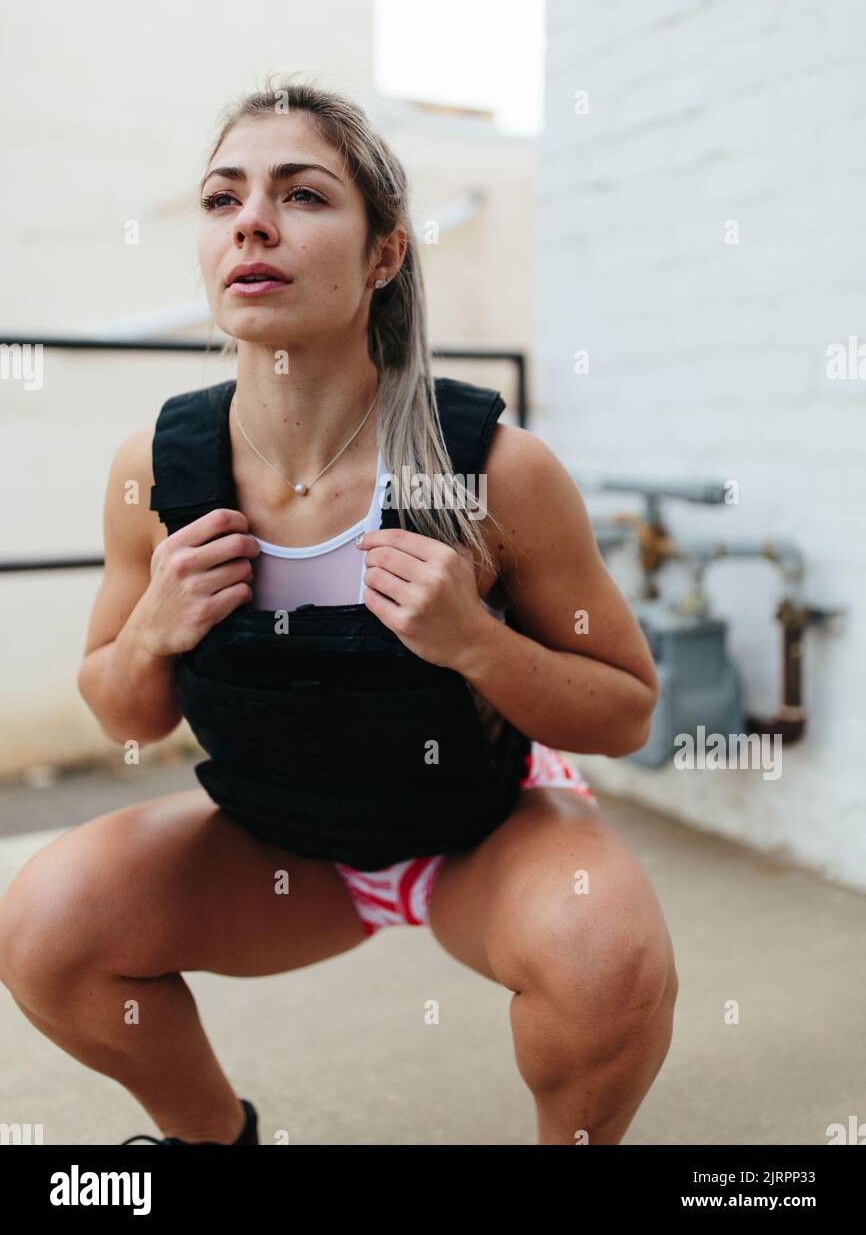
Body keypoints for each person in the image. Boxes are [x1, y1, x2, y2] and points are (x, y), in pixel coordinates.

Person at [0, 78, 677, 1146]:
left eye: (302, 195)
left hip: (480, 843)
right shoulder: (155, 470)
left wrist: (476, 642)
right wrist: (152, 630)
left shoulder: (496, 470)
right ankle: (216, 1142)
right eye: (223, 200)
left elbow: (627, 712)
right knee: (44, 924)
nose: (251, 222)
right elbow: (124, 713)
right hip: (284, 855)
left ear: (384, 255)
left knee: (604, 954)